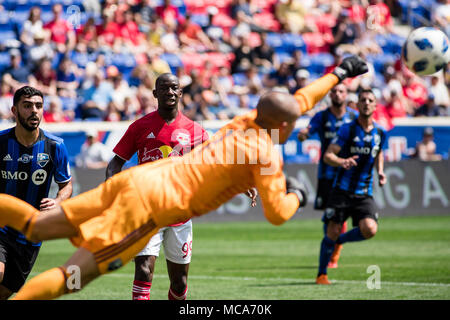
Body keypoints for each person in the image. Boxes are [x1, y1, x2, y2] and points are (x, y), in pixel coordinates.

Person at [0, 56, 368, 300]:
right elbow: (277, 213)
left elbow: (299, 100)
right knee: (71, 277)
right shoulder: (267, 153)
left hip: (134, 183)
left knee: (35, 225)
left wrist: (339, 72)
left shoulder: (245, 121)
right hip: (147, 210)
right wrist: (298, 197)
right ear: (286, 125)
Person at [105, 73, 209, 300]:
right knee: (143, 271)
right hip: (146, 212)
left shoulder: (196, 131)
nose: (169, 92)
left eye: (174, 88)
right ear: (155, 94)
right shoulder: (140, 127)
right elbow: (115, 163)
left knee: (179, 283)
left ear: (180, 93)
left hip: (180, 213)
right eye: (164, 88)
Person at [0, 86, 73, 299]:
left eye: (38, 106)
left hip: (31, 233)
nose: (34, 111)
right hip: (1, 226)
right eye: (27, 106)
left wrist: (59, 201)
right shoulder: (1, 143)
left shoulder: (55, 146)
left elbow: (66, 185)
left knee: (5, 291)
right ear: (14, 110)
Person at [316, 88, 387, 285]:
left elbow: (379, 152)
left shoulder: (380, 132)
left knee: (370, 229)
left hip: (364, 192)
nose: (365, 103)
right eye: (362, 100)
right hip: (341, 190)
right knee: (331, 230)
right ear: (357, 104)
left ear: (375, 105)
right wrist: (341, 162)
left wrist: (380, 171)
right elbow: (328, 155)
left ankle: (341, 241)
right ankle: (321, 274)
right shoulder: (347, 129)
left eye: (369, 100)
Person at [298, 83, 357, 269]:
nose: (337, 94)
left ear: (346, 95)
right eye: (334, 91)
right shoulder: (322, 116)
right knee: (329, 215)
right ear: (330, 95)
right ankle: (331, 250)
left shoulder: (353, 117)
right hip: (327, 173)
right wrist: (303, 135)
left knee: (342, 215)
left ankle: (334, 254)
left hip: (348, 174)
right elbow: (307, 132)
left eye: (341, 91)